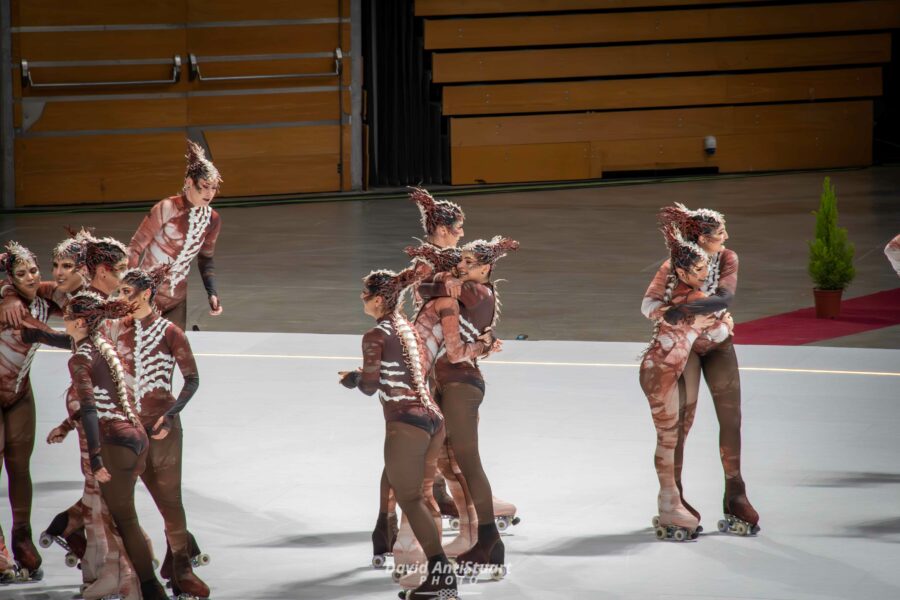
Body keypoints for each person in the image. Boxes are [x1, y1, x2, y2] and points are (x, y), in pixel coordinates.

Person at [340, 269, 457, 600]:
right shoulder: (407, 328)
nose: (361, 299)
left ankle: (442, 575)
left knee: (411, 499)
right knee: (421, 496)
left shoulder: (374, 336)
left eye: (364, 294)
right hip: (434, 419)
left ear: (377, 299)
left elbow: (369, 386)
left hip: (406, 423)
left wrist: (352, 378)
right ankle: (437, 575)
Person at [643, 203, 759, 535]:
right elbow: (648, 305)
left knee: (731, 417)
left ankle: (735, 492)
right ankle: (673, 496)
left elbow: (723, 298)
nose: (726, 237)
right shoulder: (674, 265)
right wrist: (682, 312)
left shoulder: (727, 259)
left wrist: (681, 309)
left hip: (719, 344)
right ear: (701, 237)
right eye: (720, 233)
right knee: (680, 423)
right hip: (687, 349)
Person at [53, 291, 170, 599]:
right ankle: (127, 583)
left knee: (125, 522)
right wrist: (66, 426)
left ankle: (149, 589)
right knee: (115, 516)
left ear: (79, 322)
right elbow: (112, 399)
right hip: (136, 437)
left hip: (116, 444)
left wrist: (95, 457)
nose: (62, 323)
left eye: (65, 318)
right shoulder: (103, 346)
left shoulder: (80, 358)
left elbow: (92, 409)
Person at [417, 236, 519, 575]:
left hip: (462, 384)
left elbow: (428, 286)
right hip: (448, 380)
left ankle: (490, 542)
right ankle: (479, 538)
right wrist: (486, 343)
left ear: (486, 268)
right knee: (456, 460)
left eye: (469, 262)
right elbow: (429, 287)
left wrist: (481, 346)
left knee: (469, 462)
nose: (461, 266)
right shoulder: (468, 289)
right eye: (460, 260)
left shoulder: (476, 292)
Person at [110, 266, 209, 598]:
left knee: (170, 502)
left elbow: (192, 379)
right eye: (120, 292)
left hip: (162, 427)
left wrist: (169, 416)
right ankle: (127, 570)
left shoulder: (170, 332)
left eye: (127, 292)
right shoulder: (117, 330)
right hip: (125, 429)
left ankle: (182, 568)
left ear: (146, 294)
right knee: (117, 503)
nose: (121, 297)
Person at [640, 226, 729, 540]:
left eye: (706, 269)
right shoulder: (681, 295)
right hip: (661, 370)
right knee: (667, 438)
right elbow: (712, 332)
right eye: (700, 270)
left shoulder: (693, 296)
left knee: (678, 435)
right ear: (682, 270)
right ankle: (668, 502)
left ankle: (672, 498)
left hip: (677, 367)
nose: (705, 275)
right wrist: (709, 325)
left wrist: (713, 323)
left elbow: (714, 329)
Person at [128, 141, 223, 330]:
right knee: (137, 350)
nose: (209, 193)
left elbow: (206, 259)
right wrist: (132, 289)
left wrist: (211, 292)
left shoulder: (212, 219)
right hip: (146, 295)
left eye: (213, 188)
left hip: (176, 299)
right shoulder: (167, 208)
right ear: (189, 182)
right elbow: (135, 248)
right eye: (204, 186)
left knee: (171, 354)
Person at [0, 242, 51, 582]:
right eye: (20, 274)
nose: (31, 277)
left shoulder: (44, 296)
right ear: (8, 277)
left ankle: (22, 538)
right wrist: (5, 294)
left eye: (33, 270)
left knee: (20, 468)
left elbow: (72, 287)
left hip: (19, 392)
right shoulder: (7, 307)